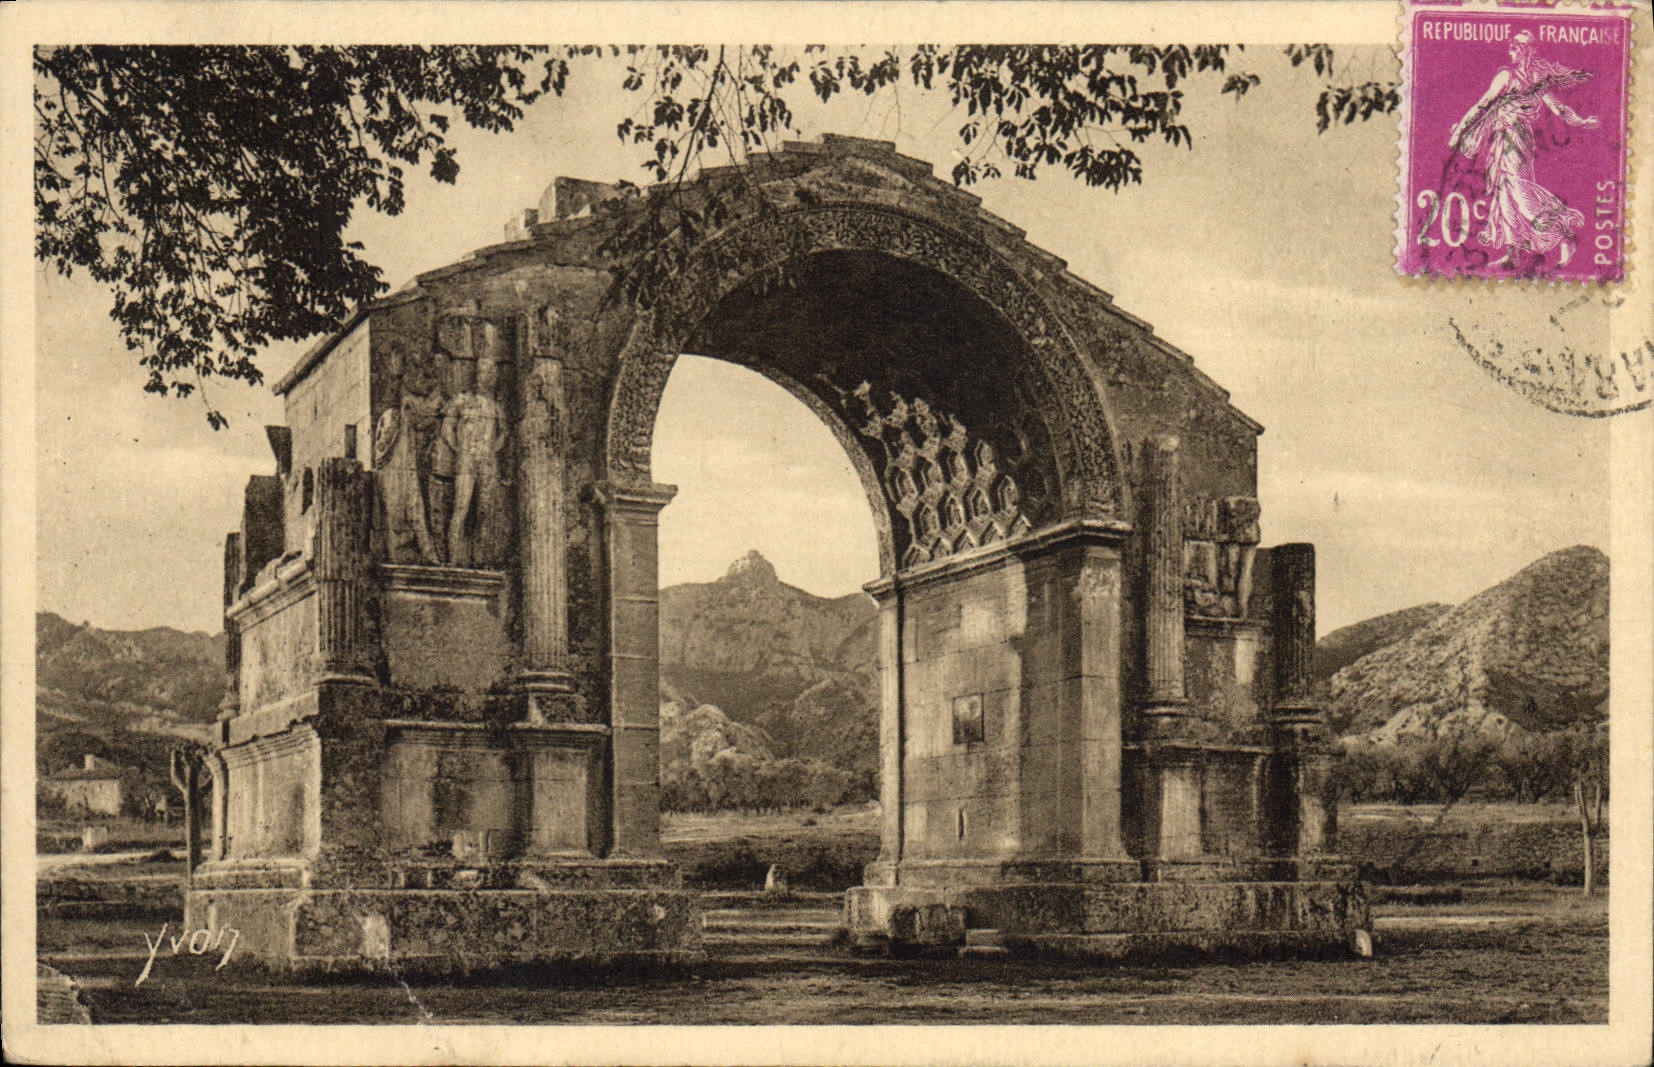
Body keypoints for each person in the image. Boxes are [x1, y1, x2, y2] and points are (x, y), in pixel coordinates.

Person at [1447, 31, 1600, 268]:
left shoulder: (1520, 78)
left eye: (1514, 48)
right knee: (1504, 192)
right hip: (1505, 139)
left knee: (1518, 190)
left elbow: (1557, 108)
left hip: (1515, 140)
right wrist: (1460, 131)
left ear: (1525, 51)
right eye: (1510, 48)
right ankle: (1513, 252)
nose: (1510, 52)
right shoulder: (1521, 77)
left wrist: (1581, 122)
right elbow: (1483, 105)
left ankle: (1564, 235)